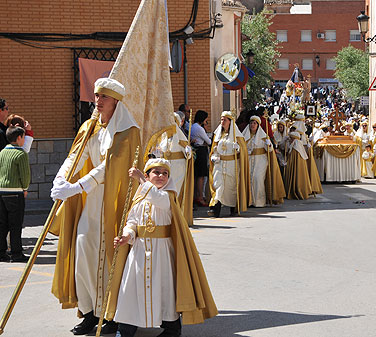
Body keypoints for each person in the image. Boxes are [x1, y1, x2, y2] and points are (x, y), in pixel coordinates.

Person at [50, 78, 140, 335]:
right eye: (97, 96)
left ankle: (111, 313)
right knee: (84, 253)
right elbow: (76, 157)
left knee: (110, 257)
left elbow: (112, 165)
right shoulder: (90, 127)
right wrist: (62, 178)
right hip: (91, 204)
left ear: (115, 102)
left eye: (104, 97)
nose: (98, 101)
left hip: (114, 200)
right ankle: (90, 311)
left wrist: (78, 187)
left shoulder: (128, 130)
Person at [113, 158, 217, 337]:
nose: (161, 176)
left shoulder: (168, 195)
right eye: (156, 172)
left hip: (162, 252)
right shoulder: (139, 196)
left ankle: (172, 328)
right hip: (139, 250)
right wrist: (126, 236)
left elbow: (159, 200)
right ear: (148, 175)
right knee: (130, 289)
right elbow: (132, 221)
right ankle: (126, 328)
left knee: (165, 290)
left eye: (165, 173)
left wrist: (140, 179)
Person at [150, 113, 194, 225]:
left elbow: (188, 154)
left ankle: (177, 216)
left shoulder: (181, 138)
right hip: (165, 169)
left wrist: (188, 152)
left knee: (175, 191)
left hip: (178, 168)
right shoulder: (162, 138)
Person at [208, 112, 251, 217]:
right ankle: (215, 208)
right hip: (219, 164)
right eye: (221, 120)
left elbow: (243, 151)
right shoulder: (218, 135)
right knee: (218, 185)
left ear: (230, 122)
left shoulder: (237, 136)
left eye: (225, 120)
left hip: (232, 164)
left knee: (231, 187)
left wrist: (238, 149)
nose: (222, 122)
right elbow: (214, 149)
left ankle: (233, 208)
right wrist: (214, 157)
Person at [0, 126, 30, 262]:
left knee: (2, 224)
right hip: (15, 192)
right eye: (23, 137)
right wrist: (25, 188)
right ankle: (16, 253)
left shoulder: (2, 153)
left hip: (1, 191)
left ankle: (1, 252)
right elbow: (25, 175)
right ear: (18, 138)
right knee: (15, 224)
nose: (24, 140)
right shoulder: (21, 154)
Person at [243, 115, 284, 207]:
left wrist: (269, 145)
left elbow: (269, 151)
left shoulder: (264, 137)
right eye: (251, 123)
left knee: (257, 178)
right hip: (249, 160)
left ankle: (259, 201)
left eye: (254, 123)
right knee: (249, 179)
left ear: (258, 125)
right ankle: (249, 201)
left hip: (260, 160)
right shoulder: (244, 136)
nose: (252, 125)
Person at [283, 126, 313, 200]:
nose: (290, 140)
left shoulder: (295, 147)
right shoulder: (297, 145)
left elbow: (292, 158)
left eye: (291, 138)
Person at [190, 110, 211, 207]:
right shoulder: (199, 128)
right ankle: (200, 197)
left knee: (197, 175)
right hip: (201, 151)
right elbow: (208, 141)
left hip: (197, 150)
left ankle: (197, 195)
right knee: (201, 176)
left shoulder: (193, 126)